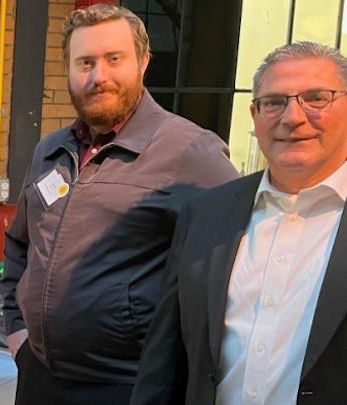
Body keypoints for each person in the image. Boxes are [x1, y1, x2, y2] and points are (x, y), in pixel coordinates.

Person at [0, 4, 240, 404]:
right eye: (85, 62)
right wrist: (16, 331)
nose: (99, 77)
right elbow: (20, 244)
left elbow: (235, 262)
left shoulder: (191, 152)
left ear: (143, 61)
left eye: (114, 59)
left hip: (128, 388)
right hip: (39, 378)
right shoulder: (50, 151)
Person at [131, 41, 347, 405]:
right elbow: (164, 360)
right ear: (254, 114)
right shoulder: (207, 214)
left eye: (315, 98)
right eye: (274, 102)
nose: (292, 117)